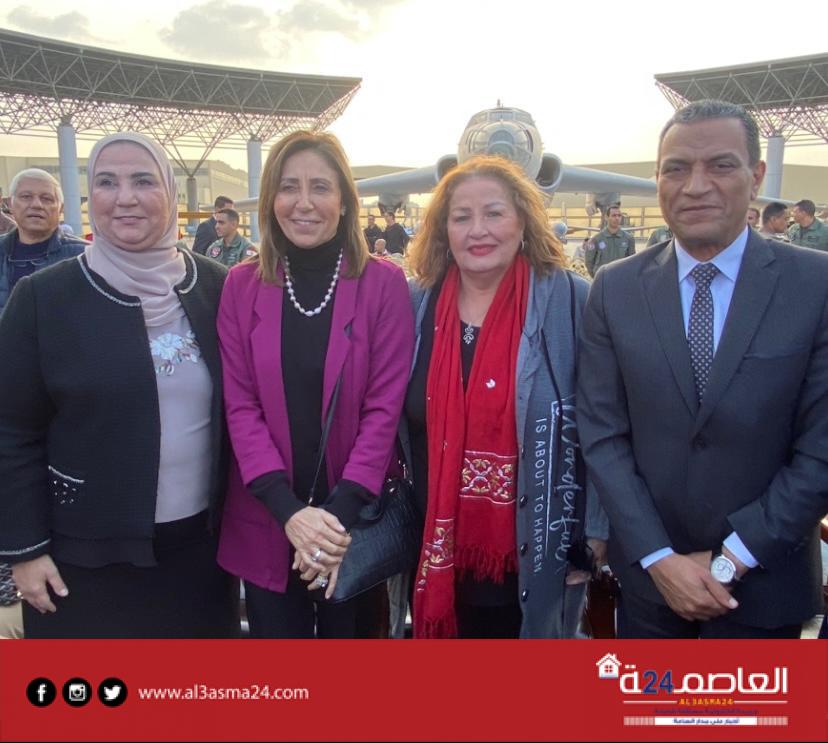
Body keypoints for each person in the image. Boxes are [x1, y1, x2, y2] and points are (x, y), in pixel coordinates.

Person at [578, 100, 828, 639]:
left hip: (766, 589)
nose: (695, 186)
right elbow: (602, 434)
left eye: (720, 165)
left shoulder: (815, 285)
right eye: (676, 168)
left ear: (756, 176)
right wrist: (658, 557)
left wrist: (730, 558)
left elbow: (821, 449)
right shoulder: (614, 289)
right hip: (650, 590)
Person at [0, 132, 239, 638]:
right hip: (81, 563)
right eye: (107, 182)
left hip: (201, 558)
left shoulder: (218, 287)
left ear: (170, 193)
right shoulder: (43, 298)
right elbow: (11, 431)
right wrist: (25, 551)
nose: (124, 197)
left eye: (143, 180)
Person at [216, 131, 414, 639]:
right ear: (271, 200)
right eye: (289, 187)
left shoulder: (383, 284)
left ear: (345, 201)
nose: (303, 203)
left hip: (354, 525)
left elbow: (383, 410)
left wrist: (335, 520)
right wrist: (290, 514)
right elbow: (241, 407)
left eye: (320, 187)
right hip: (268, 516)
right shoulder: (240, 286)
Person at [405, 155, 608, 639]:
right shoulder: (415, 303)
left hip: (538, 547)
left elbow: (606, 423)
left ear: (524, 220)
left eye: (494, 213)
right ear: (443, 230)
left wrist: (597, 530)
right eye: (461, 217)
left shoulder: (571, 302)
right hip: (432, 546)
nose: (478, 230)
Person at [0, 168, 86, 313]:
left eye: (46, 198)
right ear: (10, 204)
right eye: (26, 197)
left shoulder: (85, 257)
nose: (36, 205)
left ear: (60, 209)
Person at [584, 205, 635, 277]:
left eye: (619, 216)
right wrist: (596, 276)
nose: (617, 218)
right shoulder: (596, 239)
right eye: (613, 215)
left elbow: (632, 261)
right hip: (603, 278)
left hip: (621, 278)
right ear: (606, 217)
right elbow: (589, 261)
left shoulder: (628, 239)